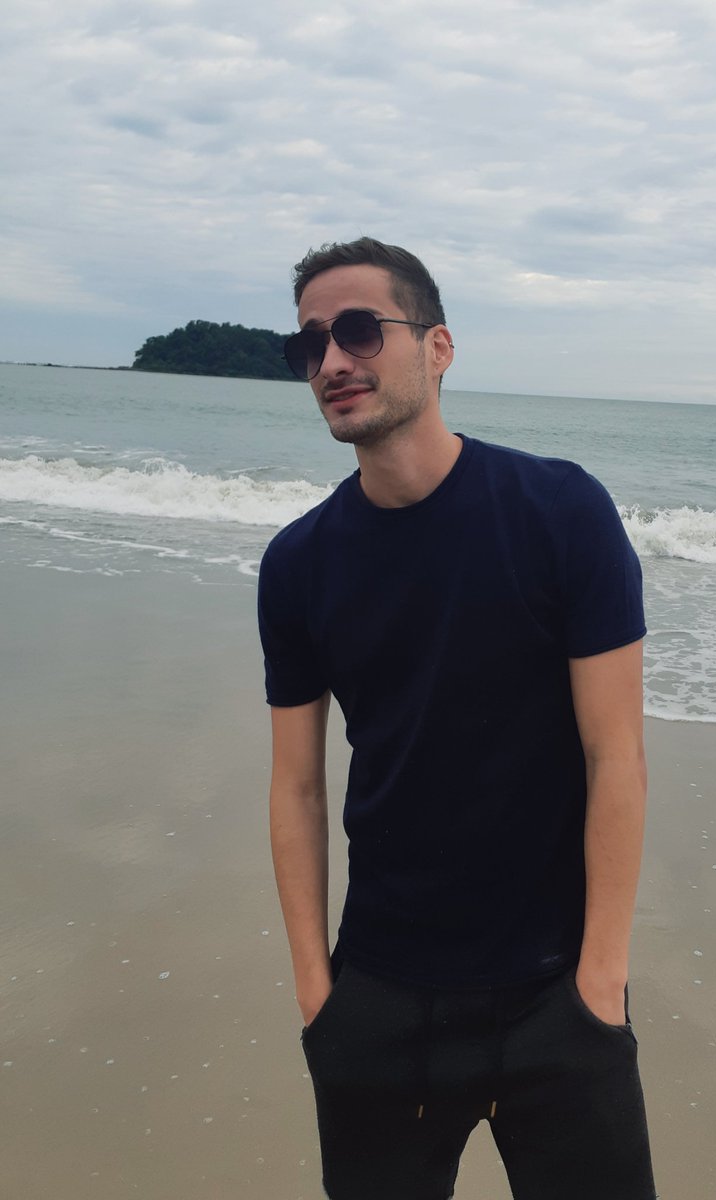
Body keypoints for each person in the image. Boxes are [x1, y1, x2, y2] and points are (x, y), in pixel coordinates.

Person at [258, 236, 657, 1200]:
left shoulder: (559, 512)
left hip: (557, 995)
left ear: (438, 347)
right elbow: (296, 786)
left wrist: (600, 983)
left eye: (359, 330)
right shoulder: (299, 563)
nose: (332, 361)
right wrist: (317, 994)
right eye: (310, 344)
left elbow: (614, 755)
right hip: (379, 1000)